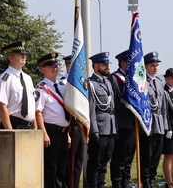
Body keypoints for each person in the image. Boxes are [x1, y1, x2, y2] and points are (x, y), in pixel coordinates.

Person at [35, 52, 70, 188]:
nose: (54, 68)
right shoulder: (41, 88)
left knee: (62, 169)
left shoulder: (61, 87)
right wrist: (43, 133)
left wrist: (67, 134)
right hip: (50, 131)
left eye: (55, 65)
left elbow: (63, 113)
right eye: (50, 66)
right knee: (51, 169)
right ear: (43, 69)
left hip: (62, 132)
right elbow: (38, 112)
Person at [87, 52, 117, 188]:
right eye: (104, 64)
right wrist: (93, 131)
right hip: (99, 128)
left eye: (107, 64)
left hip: (110, 128)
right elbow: (91, 109)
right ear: (96, 66)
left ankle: (101, 185)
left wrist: (115, 128)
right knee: (95, 163)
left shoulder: (108, 83)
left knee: (105, 161)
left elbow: (112, 108)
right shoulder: (90, 84)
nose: (107, 67)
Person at [140, 51, 168, 188]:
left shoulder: (159, 82)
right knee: (147, 154)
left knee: (156, 155)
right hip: (148, 123)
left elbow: (163, 108)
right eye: (152, 65)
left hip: (159, 124)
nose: (155, 68)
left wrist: (166, 126)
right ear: (145, 67)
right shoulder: (142, 83)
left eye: (157, 65)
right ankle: (145, 180)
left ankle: (152, 178)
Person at [109, 50, 135, 188]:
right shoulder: (114, 78)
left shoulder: (133, 79)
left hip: (132, 123)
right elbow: (115, 101)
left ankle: (125, 180)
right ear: (123, 63)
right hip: (121, 122)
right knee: (120, 155)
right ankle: (117, 182)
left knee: (129, 155)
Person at [0, 41, 36, 129]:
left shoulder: (27, 78)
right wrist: (10, 132)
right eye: (20, 54)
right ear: (10, 57)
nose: (24, 56)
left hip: (30, 126)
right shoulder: (5, 78)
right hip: (14, 124)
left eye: (24, 54)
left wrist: (35, 127)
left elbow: (32, 104)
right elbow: (2, 107)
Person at [62, 55, 84, 188]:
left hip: (79, 127)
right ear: (68, 66)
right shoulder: (63, 84)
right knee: (68, 164)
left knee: (78, 164)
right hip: (69, 126)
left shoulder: (81, 83)